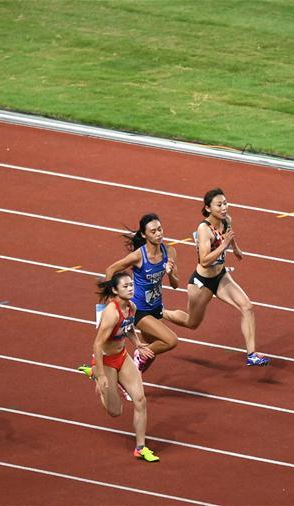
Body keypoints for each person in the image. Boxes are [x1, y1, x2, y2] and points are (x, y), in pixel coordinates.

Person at [163, 188, 269, 366]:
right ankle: (160, 312)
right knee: (191, 323)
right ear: (208, 208)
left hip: (220, 276)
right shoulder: (204, 229)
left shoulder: (226, 220)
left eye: (225, 203)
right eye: (219, 205)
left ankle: (252, 354)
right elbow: (204, 261)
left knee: (247, 307)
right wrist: (225, 245)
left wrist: (236, 248)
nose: (224, 208)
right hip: (201, 283)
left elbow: (229, 234)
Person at [80, 272, 159, 462]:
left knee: (140, 400)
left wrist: (137, 343)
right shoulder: (111, 313)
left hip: (122, 357)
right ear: (115, 290)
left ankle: (140, 447)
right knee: (115, 412)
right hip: (105, 361)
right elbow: (97, 345)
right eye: (125, 286)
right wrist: (101, 375)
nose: (131, 288)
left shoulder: (131, 306)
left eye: (131, 285)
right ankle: (95, 374)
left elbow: (128, 327)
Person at [103, 213, 180, 373]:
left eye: (160, 229)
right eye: (153, 231)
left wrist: (170, 274)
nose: (158, 234)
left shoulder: (169, 252)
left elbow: (175, 285)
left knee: (150, 352)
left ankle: (131, 377)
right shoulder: (138, 256)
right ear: (144, 235)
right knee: (171, 340)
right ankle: (134, 360)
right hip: (139, 309)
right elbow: (110, 270)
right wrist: (112, 300)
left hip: (156, 307)